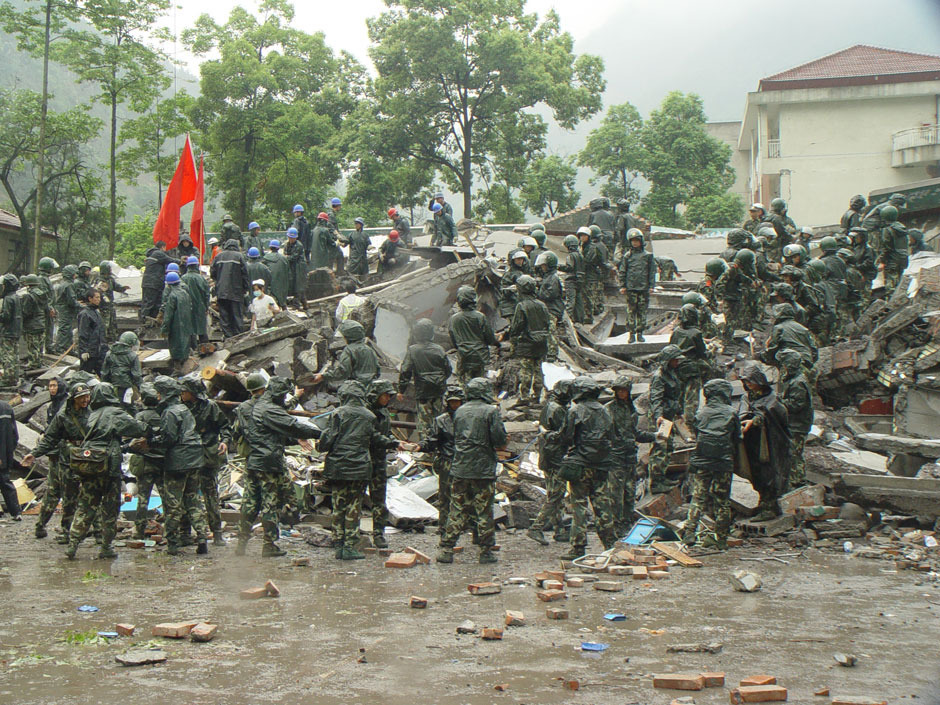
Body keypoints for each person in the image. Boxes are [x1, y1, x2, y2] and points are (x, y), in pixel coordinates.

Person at [64, 382, 148, 558]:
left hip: (89, 466)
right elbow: (138, 428)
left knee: (85, 506)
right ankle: (106, 547)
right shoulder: (115, 413)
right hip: (109, 468)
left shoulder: (92, 415)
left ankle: (73, 544)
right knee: (110, 508)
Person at [436, 378, 507, 564]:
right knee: (483, 510)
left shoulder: (460, 411)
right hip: (483, 469)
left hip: (460, 467)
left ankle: (446, 549)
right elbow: (499, 439)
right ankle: (485, 551)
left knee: (457, 509)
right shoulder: (491, 411)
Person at [320, 380, 383, 559]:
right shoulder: (369, 416)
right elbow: (373, 439)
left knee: (338, 505)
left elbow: (328, 439)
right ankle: (349, 546)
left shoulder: (337, 413)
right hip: (359, 466)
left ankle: (338, 543)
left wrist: (320, 445)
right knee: (354, 507)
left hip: (338, 466)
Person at [557, 377, 616, 559]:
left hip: (581, 465)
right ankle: (610, 545)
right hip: (601, 466)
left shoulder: (575, 411)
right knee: (602, 505)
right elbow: (612, 436)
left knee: (579, 506)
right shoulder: (605, 411)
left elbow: (566, 437)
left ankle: (578, 547)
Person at [150, 376, 210, 556]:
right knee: (193, 500)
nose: (158, 397)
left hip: (177, 461)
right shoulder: (184, 409)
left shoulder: (169, 412)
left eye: (159, 393)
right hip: (195, 458)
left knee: (173, 503)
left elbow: (169, 438)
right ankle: (201, 536)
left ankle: (173, 542)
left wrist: (151, 442)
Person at [681, 379, 741, 549]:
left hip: (702, 460)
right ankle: (721, 538)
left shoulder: (700, 413)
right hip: (723, 462)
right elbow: (738, 438)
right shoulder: (731, 412)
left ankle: (689, 533)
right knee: (722, 500)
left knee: (698, 497)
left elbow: (696, 433)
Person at [181, 375, 230, 546]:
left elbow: (224, 426)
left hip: (207, 455)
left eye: (184, 391)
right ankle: (185, 533)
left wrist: (224, 441)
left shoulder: (210, 407)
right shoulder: (180, 407)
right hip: (187, 456)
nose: (181, 393)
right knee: (187, 495)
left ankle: (216, 532)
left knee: (210, 496)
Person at [605, 375, 656, 539]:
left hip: (629, 456)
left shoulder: (631, 409)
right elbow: (604, 434)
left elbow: (635, 434)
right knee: (615, 494)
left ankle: (627, 523)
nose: (622, 393)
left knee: (629, 492)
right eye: (619, 390)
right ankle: (616, 525)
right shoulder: (608, 409)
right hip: (615, 457)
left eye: (624, 390)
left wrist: (655, 436)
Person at [739, 364, 791, 522]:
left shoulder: (772, 398)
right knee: (756, 473)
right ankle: (763, 502)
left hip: (768, 442)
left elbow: (770, 414)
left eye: (750, 381)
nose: (748, 384)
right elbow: (743, 411)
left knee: (768, 473)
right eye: (745, 381)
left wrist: (755, 420)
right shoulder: (748, 397)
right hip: (752, 442)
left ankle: (771, 507)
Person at [526, 379, 573, 545]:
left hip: (547, 455)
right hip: (555, 457)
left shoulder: (549, 406)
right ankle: (536, 527)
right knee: (556, 495)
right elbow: (563, 435)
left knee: (555, 493)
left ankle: (559, 529)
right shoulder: (559, 410)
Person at [415, 385, 464, 532]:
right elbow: (433, 440)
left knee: (464, 495)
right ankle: (444, 526)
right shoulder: (441, 420)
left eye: (457, 402)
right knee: (445, 495)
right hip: (447, 461)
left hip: (463, 460)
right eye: (452, 402)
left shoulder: (468, 418)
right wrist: (420, 446)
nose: (455, 405)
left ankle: (463, 523)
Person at [366, 379, 405, 549]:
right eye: (385, 395)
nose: (388, 399)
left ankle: (378, 533)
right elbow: (371, 435)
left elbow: (386, 433)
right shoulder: (365, 412)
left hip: (379, 459)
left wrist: (393, 441)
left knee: (379, 498)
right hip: (364, 458)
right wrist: (391, 443)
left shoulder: (384, 412)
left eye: (390, 396)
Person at [398, 318, 451, 436]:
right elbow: (448, 369)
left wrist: (401, 390)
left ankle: (427, 449)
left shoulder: (413, 350)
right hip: (438, 390)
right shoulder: (439, 349)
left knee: (424, 423)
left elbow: (405, 371)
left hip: (423, 390)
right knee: (438, 420)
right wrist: (441, 380)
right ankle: (438, 447)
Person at [32, 377, 70, 538]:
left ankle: (67, 529)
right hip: (55, 455)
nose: (52, 389)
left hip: (66, 456)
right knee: (54, 491)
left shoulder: (67, 405)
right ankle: (41, 525)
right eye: (50, 386)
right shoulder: (52, 406)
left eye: (54, 385)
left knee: (69, 493)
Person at [129, 382, 164, 540]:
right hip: (162, 463)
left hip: (145, 463)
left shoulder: (140, 417)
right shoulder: (164, 415)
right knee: (167, 498)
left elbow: (134, 437)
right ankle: (171, 529)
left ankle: (139, 530)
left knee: (143, 499)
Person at [508, 275, 551, 404]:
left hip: (527, 343)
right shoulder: (542, 305)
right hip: (541, 342)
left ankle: (524, 396)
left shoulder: (521, 306)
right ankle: (537, 395)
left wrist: (513, 339)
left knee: (526, 371)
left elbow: (517, 326)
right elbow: (547, 323)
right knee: (538, 370)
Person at [648, 344, 684, 494]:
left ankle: (662, 477)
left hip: (669, 415)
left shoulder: (671, 373)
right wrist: (659, 416)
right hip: (662, 418)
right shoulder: (659, 377)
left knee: (668, 447)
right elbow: (655, 398)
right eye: (674, 360)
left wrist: (678, 412)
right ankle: (656, 483)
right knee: (660, 449)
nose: (677, 362)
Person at [776, 349, 813, 490]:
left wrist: (779, 401)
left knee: (794, 455)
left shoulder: (798, 382)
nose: (783, 368)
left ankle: (797, 484)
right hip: (795, 424)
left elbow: (796, 405)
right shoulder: (794, 379)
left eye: (784, 365)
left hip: (798, 425)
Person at [448, 286, 498, 384]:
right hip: (480, 356)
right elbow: (489, 337)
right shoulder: (480, 317)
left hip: (464, 356)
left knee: (464, 383)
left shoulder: (454, 319)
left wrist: (460, 347)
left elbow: (453, 339)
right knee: (479, 382)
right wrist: (496, 343)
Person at [314, 320, 380, 388]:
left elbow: (343, 371)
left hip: (355, 388)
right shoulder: (370, 350)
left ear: (348, 336)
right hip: (370, 387)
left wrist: (323, 376)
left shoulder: (349, 350)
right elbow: (377, 370)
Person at [670, 304, 708, 421]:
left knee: (679, 395)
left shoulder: (676, 331)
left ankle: (678, 420)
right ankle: (690, 425)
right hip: (692, 368)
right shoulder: (696, 333)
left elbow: (670, 348)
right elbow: (702, 352)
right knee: (691, 399)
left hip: (677, 367)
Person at [618, 229, 657, 342]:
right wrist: (622, 286)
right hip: (631, 288)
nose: (635, 243)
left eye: (636, 240)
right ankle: (631, 334)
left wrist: (651, 286)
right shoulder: (627, 256)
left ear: (641, 241)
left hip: (643, 288)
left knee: (642, 311)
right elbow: (623, 271)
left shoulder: (648, 256)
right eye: (632, 241)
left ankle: (640, 333)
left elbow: (651, 272)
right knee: (631, 311)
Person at [761, 303, 816, 378]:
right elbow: (814, 350)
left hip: (790, 365)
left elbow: (772, 348)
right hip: (807, 365)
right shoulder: (803, 328)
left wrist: (763, 357)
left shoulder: (779, 328)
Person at [715, 249, 758, 343]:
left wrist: (750, 282)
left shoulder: (736, 269)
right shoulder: (731, 270)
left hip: (734, 297)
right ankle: (726, 341)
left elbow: (740, 277)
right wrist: (720, 299)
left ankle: (732, 339)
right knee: (729, 320)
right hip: (729, 298)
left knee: (734, 320)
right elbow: (720, 284)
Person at [211, 238, 251, 337]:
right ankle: (238, 338)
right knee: (237, 316)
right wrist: (245, 288)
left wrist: (219, 283)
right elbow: (245, 274)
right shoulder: (239, 256)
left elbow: (212, 273)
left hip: (221, 292)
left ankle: (228, 337)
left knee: (224, 317)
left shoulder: (218, 256)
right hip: (236, 292)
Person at [161, 272, 195, 372]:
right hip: (186, 325)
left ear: (169, 284)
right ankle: (185, 368)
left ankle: (178, 371)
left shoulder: (172, 296)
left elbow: (168, 315)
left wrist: (164, 329)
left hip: (175, 326)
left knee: (176, 349)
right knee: (185, 346)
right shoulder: (185, 293)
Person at [101, 331, 142, 404]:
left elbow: (105, 373)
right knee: (130, 408)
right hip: (127, 388)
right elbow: (137, 376)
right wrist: (142, 391)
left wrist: (104, 389)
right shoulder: (132, 356)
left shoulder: (109, 354)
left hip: (112, 387)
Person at [878, 205, 909, 298]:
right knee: (900, 283)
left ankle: (891, 306)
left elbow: (886, 248)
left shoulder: (887, 230)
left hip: (892, 260)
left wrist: (882, 261)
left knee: (891, 286)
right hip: (903, 258)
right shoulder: (902, 229)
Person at [20, 274, 50, 371]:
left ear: (28, 285)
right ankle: (39, 362)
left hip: (31, 325)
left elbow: (26, 312)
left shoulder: (28, 296)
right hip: (41, 323)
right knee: (40, 345)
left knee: (32, 346)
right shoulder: (43, 294)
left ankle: (33, 364)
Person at [142, 243, 177, 322]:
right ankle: (144, 321)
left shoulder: (152, 254)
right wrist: (181, 261)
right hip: (153, 283)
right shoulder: (158, 253)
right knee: (149, 303)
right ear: (163, 247)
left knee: (153, 303)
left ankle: (151, 320)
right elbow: (170, 260)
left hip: (150, 282)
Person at [181, 256, 210, 345]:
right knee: (201, 328)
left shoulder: (183, 278)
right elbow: (206, 294)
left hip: (186, 307)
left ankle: (192, 348)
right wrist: (206, 307)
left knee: (189, 329)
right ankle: (205, 347)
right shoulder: (201, 278)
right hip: (200, 306)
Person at [76, 289, 106, 375]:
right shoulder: (85, 314)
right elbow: (83, 334)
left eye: (99, 297)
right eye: (97, 297)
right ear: (90, 298)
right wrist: (84, 351)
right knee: (84, 376)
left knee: (104, 375)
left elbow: (101, 332)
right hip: (90, 353)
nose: (99, 299)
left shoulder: (96, 312)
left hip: (99, 352)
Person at [0, 398, 21, 520]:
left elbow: (4, 435)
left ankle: (16, 511)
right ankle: (16, 511)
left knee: (4, 481)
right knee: (5, 481)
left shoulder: (3, 408)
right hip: (6, 454)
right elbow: (14, 436)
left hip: (2, 455)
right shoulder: (6, 407)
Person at [558, 234, 586, 323]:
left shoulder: (570, 256)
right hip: (579, 280)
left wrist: (558, 267)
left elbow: (569, 267)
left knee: (570, 301)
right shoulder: (580, 255)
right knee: (579, 302)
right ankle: (580, 319)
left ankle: (566, 321)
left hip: (571, 280)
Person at [580, 226, 605, 321]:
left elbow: (587, 261)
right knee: (585, 296)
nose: (582, 238)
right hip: (586, 275)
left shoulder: (592, 248)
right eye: (581, 236)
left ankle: (589, 316)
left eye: (584, 236)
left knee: (589, 297)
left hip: (591, 275)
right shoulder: (583, 246)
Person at [53, 265, 80, 354]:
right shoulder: (69, 285)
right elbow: (71, 301)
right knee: (65, 329)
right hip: (66, 310)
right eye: (74, 274)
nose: (76, 276)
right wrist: (81, 306)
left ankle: (67, 348)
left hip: (63, 309)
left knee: (67, 329)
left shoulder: (63, 284)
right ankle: (61, 347)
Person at [498, 250, 529, 320]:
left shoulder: (522, 272)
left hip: (519, 305)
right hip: (510, 307)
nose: (520, 261)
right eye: (518, 259)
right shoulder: (509, 274)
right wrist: (511, 289)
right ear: (513, 261)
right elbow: (503, 290)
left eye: (522, 259)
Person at [36, 257, 58, 351]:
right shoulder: (42, 279)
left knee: (50, 327)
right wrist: (49, 307)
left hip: (48, 307)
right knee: (46, 329)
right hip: (45, 309)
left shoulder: (45, 278)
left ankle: (49, 347)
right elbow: (44, 295)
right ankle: (46, 348)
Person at [283, 227, 308, 308]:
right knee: (293, 285)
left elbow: (294, 257)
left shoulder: (299, 245)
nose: (291, 239)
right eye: (290, 237)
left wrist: (286, 257)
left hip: (299, 267)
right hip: (292, 267)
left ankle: (299, 304)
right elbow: (285, 254)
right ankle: (303, 304)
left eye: (292, 238)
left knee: (298, 286)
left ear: (296, 238)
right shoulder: (286, 244)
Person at [262, 240, 290, 309]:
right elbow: (288, 272)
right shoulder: (283, 259)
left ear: (270, 248)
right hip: (281, 284)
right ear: (278, 248)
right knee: (282, 302)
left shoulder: (265, 259)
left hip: (270, 285)